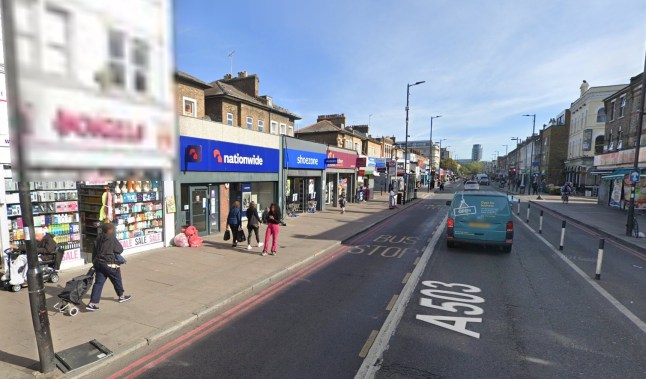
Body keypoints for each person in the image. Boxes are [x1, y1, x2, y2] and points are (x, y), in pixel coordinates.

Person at [86, 223, 131, 311]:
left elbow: (94, 251)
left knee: (98, 283)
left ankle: (92, 303)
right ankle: (121, 296)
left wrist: (94, 263)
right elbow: (119, 249)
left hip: (99, 263)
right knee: (117, 279)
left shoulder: (98, 238)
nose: (113, 230)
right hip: (109, 263)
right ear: (109, 230)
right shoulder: (111, 238)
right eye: (112, 229)